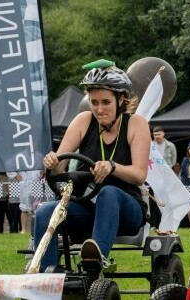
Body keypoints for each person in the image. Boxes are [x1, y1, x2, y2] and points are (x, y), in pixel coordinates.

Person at [38, 61, 150, 277]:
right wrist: (52, 163)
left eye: (106, 102)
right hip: (87, 205)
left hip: (127, 209)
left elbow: (139, 174)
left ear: (121, 100)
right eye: (94, 102)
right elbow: (59, 166)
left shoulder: (136, 124)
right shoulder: (83, 120)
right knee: (45, 211)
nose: (99, 109)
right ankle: (47, 277)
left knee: (108, 193)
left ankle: (93, 266)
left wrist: (112, 166)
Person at [18, 170, 43, 234]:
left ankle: (36, 229)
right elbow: (11, 171)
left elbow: (43, 169)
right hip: (24, 184)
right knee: (24, 208)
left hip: (37, 184)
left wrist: (42, 174)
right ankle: (23, 230)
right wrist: (18, 178)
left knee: (37, 208)